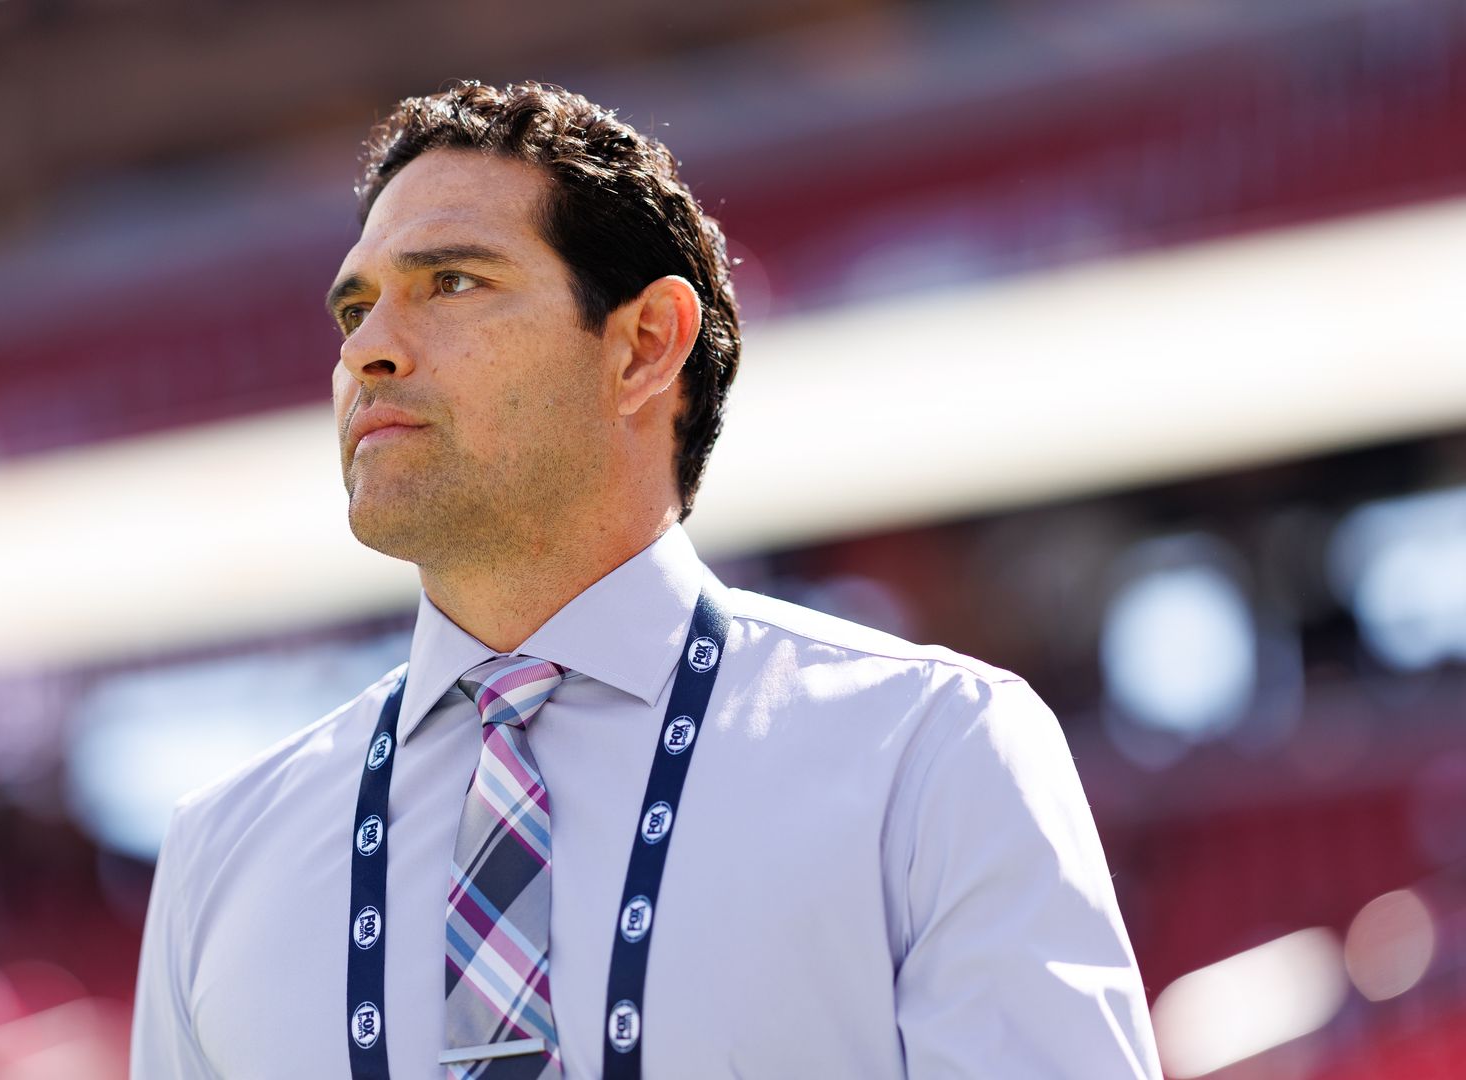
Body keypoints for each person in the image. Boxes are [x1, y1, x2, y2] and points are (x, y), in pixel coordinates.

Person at [130, 81, 1161, 1079]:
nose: (370, 354)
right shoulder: (220, 854)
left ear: (643, 347)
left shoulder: (930, 754)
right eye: (355, 311)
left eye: (452, 283)